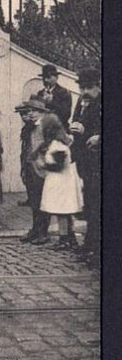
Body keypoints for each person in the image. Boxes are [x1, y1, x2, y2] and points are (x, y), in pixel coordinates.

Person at [38, 112, 83, 249]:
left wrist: (43, 164)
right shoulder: (63, 141)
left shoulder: (58, 144)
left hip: (60, 181)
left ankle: (64, 239)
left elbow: (58, 165)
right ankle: (71, 238)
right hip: (64, 180)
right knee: (65, 211)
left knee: (61, 211)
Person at [70, 68, 101, 263]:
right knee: (90, 205)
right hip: (85, 162)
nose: (84, 92)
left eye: (89, 87)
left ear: (98, 86)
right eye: (82, 87)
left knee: (98, 206)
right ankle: (89, 245)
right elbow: (75, 121)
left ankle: (98, 252)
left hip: (98, 161)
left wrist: (97, 135)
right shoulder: (81, 102)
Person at [19, 98, 52, 244]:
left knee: (42, 200)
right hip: (29, 167)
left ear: (43, 112)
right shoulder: (29, 127)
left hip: (41, 168)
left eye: (36, 111)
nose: (32, 114)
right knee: (33, 200)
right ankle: (35, 229)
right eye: (30, 111)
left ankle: (43, 232)